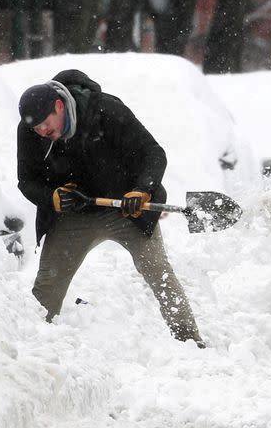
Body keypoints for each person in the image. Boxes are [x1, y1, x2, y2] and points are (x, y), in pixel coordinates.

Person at [16, 69, 204, 347]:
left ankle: (191, 340)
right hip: (74, 215)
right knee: (47, 284)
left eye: (45, 124)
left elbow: (154, 153)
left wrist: (142, 189)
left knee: (158, 270)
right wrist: (51, 197)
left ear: (58, 106)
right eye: (36, 129)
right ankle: (34, 345)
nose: (42, 132)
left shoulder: (105, 110)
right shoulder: (31, 132)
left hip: (127, 209)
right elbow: (26, 181)